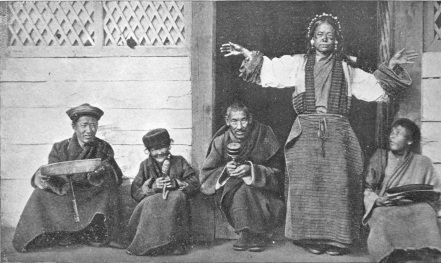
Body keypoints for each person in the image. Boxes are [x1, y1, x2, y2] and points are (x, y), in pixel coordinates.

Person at [220, 13, 418, 255]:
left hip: (338, 134)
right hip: (305, 133)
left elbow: (374, 88)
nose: (325, 39)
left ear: (336, 41)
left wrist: (392, 67)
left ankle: (338, 240)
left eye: (330, 36)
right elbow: (270, 69)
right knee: (307, 185)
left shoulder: (347, 68)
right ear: (312, 40)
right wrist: (247, 54)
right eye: (320, 35)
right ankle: (310, 238)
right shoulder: (298, 63)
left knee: (340, 185)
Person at [13, 103, 125, 252]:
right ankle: (60, 232)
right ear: (74, 126)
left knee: (108, 185)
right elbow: (51, 173)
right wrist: (46, 177)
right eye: (84, 125)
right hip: (67, 191)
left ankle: (94, 232)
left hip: (92, 193)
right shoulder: (59, 148)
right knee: (39, 194)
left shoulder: (103, 147)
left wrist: (103, 170)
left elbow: (117, 175)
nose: (89, 130)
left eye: (94, 125)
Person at [200, 101, 285, 252]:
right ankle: (245, 234)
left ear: (250, 118)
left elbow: (278, 172)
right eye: (234, 121)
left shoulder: (264, 135)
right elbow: (207, 176)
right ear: (227, 121)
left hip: (263, 192)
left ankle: (257, 234)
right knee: (239, 192)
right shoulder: (221, 141)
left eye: (243, 120)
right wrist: (226, 170)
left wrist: (252, 170)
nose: (239, 126)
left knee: (246, 189)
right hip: (230, 190)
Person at [363, 118, 441, 263]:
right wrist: (377, 199)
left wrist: (427, 198)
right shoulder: (380, 157)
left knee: (426, 211)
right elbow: (367, 189)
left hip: (414, 207)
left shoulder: (423, 162)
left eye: (398, 133)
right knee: (380, 215)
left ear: (409, 140)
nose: (392, 136)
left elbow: (440, 196)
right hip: (386, 206)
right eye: (391, 133)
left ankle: (420, 253)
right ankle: (388, 255)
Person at [126, 128, 199, 256]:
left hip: (175, 204)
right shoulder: (145, 165)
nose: (159, 152)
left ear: (169, 145)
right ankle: (150, 244)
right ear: (148, 151)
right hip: (153, 208)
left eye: (162, 147)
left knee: (177, 197)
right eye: (154, 149)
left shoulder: (179, 161)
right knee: (151, 202)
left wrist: (176, 183)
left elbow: (194, 182)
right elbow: (135, 191)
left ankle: (174, 243)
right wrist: (152, 188)